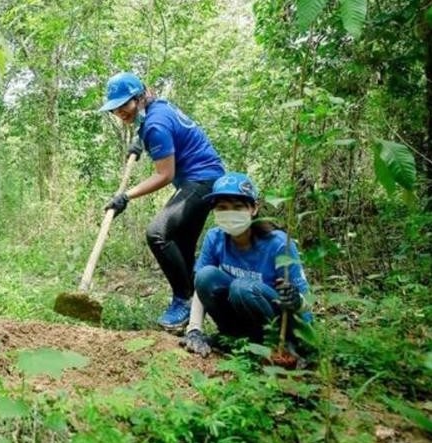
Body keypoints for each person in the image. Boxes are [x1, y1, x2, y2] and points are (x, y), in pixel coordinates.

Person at [100, 72, 225, 332]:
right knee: (181, 243)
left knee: (158, 233)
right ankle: (195, 312)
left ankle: (183, 299)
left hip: (202, 181)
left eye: (124, 105)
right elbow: (154, 124)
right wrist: (138, 139)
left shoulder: (155, 125)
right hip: (207, 178)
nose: (120, 111)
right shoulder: (157, 109)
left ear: (138, 97)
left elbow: (165, 175)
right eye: (115, 108)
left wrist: (126, 196)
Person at [178, 172, 312, 357]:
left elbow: (305, 302)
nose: (230, 213)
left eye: (238, 207)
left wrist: (303, 333)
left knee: (242, 287)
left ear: (254, 209)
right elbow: (201, 286)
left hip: (279, 324)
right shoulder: (215, 237)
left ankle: (279, 346)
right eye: (222, 208)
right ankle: (236, 339)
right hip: (242, 318)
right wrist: (194, 330)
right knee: (206, 275)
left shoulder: (278, 243)